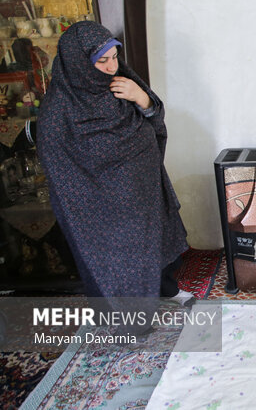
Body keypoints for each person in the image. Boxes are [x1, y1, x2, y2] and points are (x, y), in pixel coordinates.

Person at [36, 22, 193, 308]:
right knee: (124, 259)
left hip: (144, 188)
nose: (111, 67)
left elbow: (154, 116)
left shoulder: (122, 80)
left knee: (156, 240)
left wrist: (141, 97)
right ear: (79, 63)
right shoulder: (59, 109)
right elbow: (58, 166)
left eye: (114, 57)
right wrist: (98, 189)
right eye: (101, 60)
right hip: (103, 204)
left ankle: (167, 289)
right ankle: (133, 313)